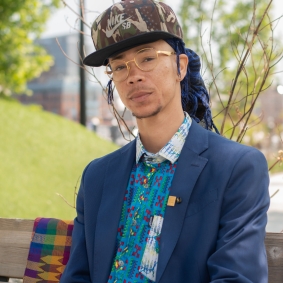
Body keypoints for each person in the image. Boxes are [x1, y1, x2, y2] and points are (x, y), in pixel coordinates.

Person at [60, 0, 270, 282]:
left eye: (147, 58)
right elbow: (78, 276)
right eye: (119, 67)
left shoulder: (236, 168)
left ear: (179, 66)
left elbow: (236, 277)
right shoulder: (97, 176)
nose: (133, 76)